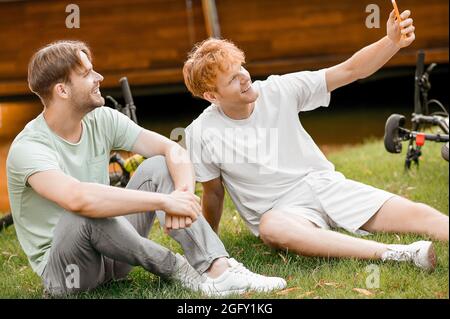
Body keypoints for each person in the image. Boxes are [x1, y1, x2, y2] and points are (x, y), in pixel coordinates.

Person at [6, 40, 287, 297]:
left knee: (159, 166)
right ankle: (177, 267)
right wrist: (165, 201)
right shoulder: (29, 148)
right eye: (88, 73)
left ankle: (218, 268)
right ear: (62, 90)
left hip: (116, 256)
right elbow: (78, 198)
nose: (99, 78)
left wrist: (183, 195)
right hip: (71, 274)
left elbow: (173, 150)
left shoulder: (101, 118)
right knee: (81, 214)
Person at [183, 9, 449, 272]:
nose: (244, 77)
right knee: (271, 227)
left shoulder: (278, 90)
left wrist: (391, 41)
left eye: (241, 67)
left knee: (419, 215)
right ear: (212, 96)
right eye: (232, 78)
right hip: (282, 212)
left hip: (324, 186)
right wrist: (210, 244)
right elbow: (213, 192)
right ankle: (396, 254)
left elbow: (350, 70)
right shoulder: (201, 133)